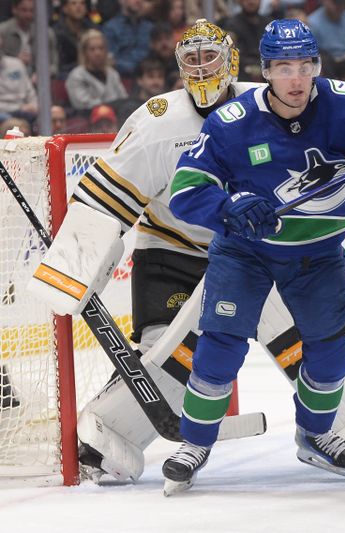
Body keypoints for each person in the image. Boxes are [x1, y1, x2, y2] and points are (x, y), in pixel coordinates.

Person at [164, 19, 345, 495]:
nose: (295, 78)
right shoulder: (231, 123)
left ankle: (314, 434)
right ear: (265, 71)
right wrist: (228, 207)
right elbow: (186, 189)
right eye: (283, 67)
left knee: (331, 355)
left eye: (305, 65)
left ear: (317, 65)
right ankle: (195, 442)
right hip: (245, 252)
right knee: (220, 347)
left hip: (317, 255)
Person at [42, 19, 263, 484]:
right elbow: (105, 199)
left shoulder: (271, 104)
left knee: (322, 337)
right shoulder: (159, 119)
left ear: (232, 62)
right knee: (167, 357)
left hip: (258, 255)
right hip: (173, 249)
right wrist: (77, 264)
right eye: (192, 59)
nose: (202, 68)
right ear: (179, 66)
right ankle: (108, 438)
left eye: (211, 57)